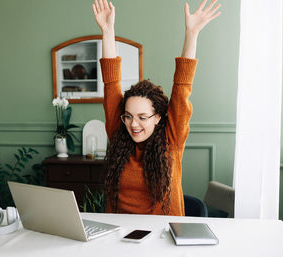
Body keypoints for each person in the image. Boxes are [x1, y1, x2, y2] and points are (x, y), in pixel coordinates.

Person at [92, 0, 221, 215]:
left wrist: (192, 34)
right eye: (128, 116)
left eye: (143, 117)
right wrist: (107, 30)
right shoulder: (119, 132)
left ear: (158, 117)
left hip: (162, 238)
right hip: (119, 238)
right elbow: (111, 83)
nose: (134, 124)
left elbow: (182, 86)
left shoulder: (172, 139)